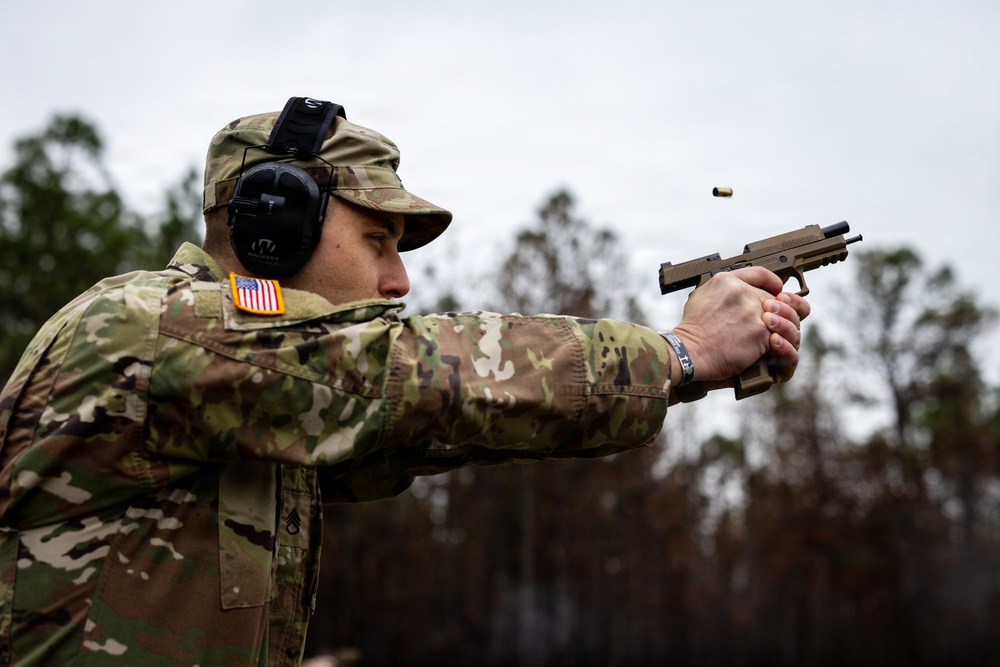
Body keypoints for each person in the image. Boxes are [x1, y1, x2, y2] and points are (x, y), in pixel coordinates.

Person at [0, 97, 809, 666]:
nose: (399, 280)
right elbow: (419, 377)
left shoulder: (250, 393)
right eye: (378, 241)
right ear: (276, 223)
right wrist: (681, 350)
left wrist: (688, 372)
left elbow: (444, 422)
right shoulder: (154, 326)